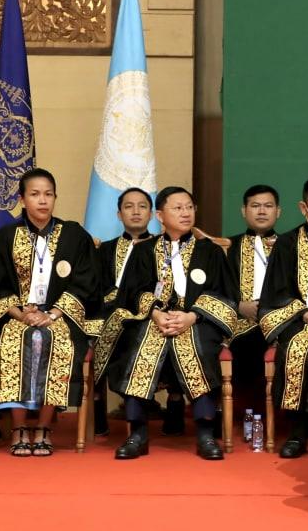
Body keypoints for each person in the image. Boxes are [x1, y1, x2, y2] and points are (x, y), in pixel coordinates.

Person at [98, 186, 241, 461]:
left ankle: (205, 433)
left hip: (197, 320)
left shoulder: (210, 252)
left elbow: (225, 295)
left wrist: (192, 316)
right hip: (154, 318)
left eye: (189, 207)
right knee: (138, 344)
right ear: (160, 216)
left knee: (199, 346)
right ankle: (137, 433)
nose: (185, 213)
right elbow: (132, 292)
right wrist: (154, 313)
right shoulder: (144, 251)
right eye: (177, 208)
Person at [0, 168, 98, 457]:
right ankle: (19, 428)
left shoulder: (74, 235)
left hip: (61, 316)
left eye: (48, 194)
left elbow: (86, 282)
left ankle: (44, 428)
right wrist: (21, 314)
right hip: (17, 316)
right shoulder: (5, 237)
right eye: (35, 194)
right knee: (19, 338)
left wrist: (53, 314)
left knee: (54, 339)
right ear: (22, 199)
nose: (43, 200)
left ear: (55, 198)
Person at [258, 175, 308, 458]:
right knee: (296, 347)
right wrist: (305, 314)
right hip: (304, 320)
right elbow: (276, 293)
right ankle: (298, 431)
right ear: (304, 208)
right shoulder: (287, 243)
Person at [91, 187, 157, 436]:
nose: (136, 211)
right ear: (119, 214)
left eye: (142, 206)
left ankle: (163, 401)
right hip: (109, 313)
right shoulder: (105, 250)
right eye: (129, 207)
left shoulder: (161, 248)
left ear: (152, 214)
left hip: (147, 313)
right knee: (99, 328)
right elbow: (95, 287)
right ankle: (98, 405)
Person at [226, 185, 281, 445]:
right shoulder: (229, 247)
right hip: (241, 321)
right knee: (246, 345)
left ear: (278, 212)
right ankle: (250, 416)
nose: (261, 211)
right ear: (244, 211)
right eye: (255, 206)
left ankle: (288, 420)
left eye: (268, 206)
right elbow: (216, 288)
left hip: (280, 321)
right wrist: (239, 305)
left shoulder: (289, 246)